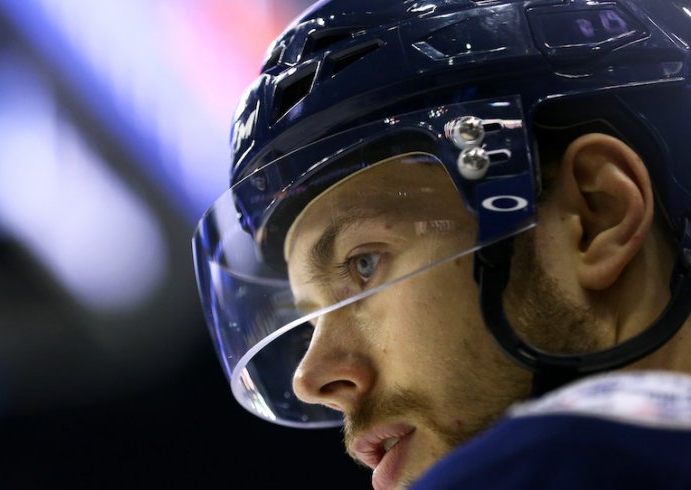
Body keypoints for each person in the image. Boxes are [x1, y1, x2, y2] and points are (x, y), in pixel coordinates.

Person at [192, 0, 691, 488]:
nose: (310, 379)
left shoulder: (550, 460)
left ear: (596, 214)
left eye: (363, 264)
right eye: (314, 318)